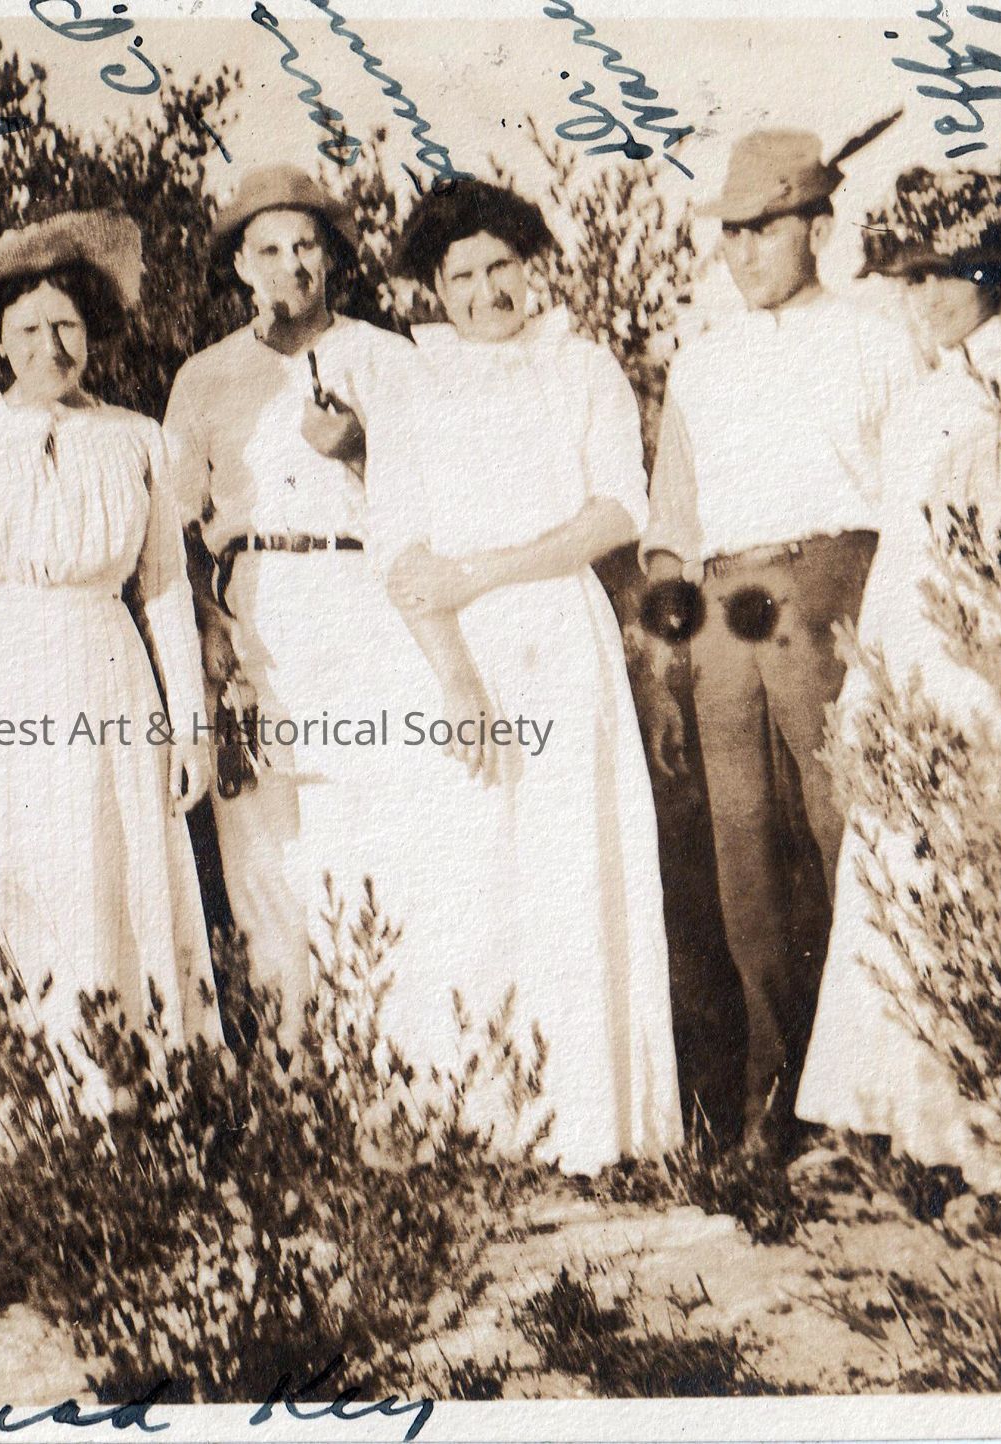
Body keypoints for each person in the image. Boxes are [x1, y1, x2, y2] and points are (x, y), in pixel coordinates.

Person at [338, 181, 681, 1176]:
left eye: (501, 268)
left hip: (559, 634)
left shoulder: (580, 367)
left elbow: (617, 510)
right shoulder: (411, 384)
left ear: (530, 268)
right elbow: (400, 549)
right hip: (450, 651)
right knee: (467, 870)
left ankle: (588, 1124)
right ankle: (476, 1120)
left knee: (569, 863)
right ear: (434, 288)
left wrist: (485, 571)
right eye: (463, 276)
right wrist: (456, 682)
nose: (486, 292)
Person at [0, 211, 218, 1164]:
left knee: (110, 864)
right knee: (13, 868)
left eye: (68, 326)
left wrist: (191, 727)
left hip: (112, 673)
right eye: (29, 329)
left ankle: (123, 1103)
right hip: (9, 675)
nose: (51, 347)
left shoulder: (139, 440)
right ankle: (1, 1113)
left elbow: (166, 592)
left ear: (94, 333)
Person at [796, 164, 1001, 1190]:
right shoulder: (925, 397)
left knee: (978, 873)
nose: (922, 298)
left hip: (984, 660)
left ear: (992, 272)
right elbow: (898, 558)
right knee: (901, 873)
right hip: (912, 653)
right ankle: (906, 1131)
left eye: (943, 275)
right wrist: (869, 682)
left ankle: (999, 1146)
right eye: (908, 280)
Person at [638, 117, 911, 1153]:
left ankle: (876, 1101)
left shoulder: (878, 340)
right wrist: (669, 652)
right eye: (731, 231)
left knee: (849, 838)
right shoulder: (701, 363)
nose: (744, 250)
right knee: (745, 862)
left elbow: (913, 497)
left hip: (831, 585)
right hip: (722, 611)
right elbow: (672, 526)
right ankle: (774, 1098)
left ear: (818, 228)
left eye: (765, 228)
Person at [162, 166, 429, 1025]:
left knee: (367, 830)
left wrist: (358, 451)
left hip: (362, 603)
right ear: (241, 266)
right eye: (269, 250)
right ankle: (289, 1067)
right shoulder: (204, 377)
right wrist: (207, 618)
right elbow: (173, 526)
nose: (291, 267)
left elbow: (438, 501)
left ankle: (380, 1058)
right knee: (263, 850)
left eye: (306, 246)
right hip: (254, 611)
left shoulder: (387, 358)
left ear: (332, 257)